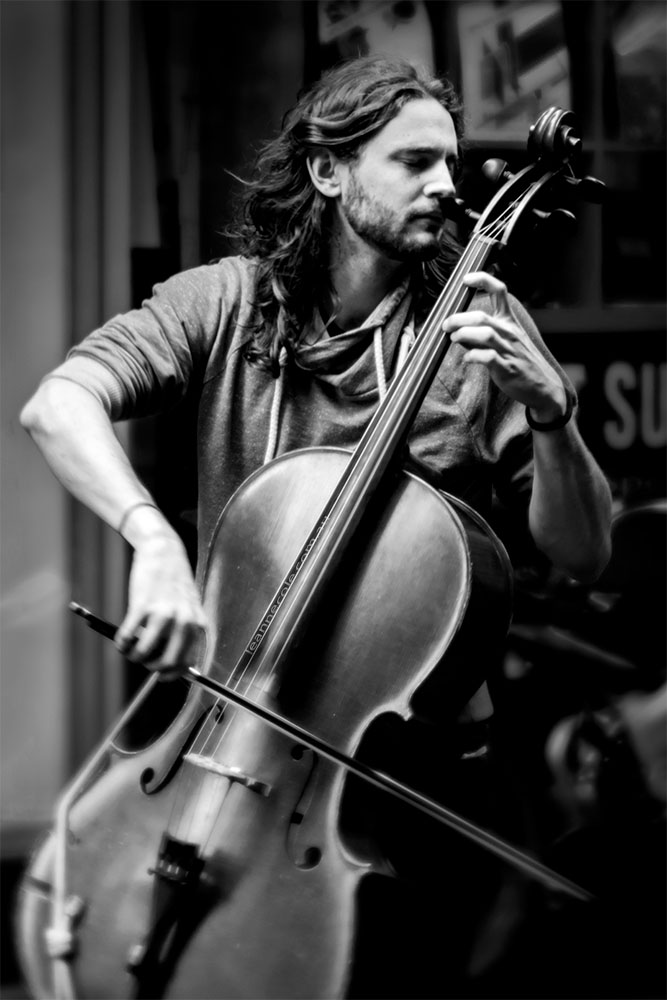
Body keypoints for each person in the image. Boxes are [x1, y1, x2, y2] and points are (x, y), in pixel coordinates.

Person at [21, 54, 612, 996]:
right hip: (229, 720)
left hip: (398, 774)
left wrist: (552, 414)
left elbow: (582, 555)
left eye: (451, 164)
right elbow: (58, 404)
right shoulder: (226, 300)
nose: (444, 184)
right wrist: (153, 539)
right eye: (413, 161)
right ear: (329, 171)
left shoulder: (474, 337)